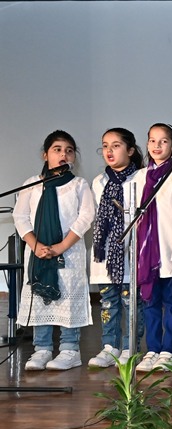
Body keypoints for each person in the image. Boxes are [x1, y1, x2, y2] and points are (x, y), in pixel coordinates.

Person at [17, 131, 96, 371]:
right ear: (46, 155)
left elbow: (86, 217)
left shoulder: (78, 184)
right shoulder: (32, 184)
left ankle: (70, 350)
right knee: (40, 297)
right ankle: (42, 349)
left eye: (69, 151)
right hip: (38, 252)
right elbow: (21, 217)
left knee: (67, 299)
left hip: (68, 253)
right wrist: (35, 245)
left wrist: (61, 247)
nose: (64, 154)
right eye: (57, 149)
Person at [133, 123, 172, 373]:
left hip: (170, 250)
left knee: (171, 303)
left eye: (163, 141)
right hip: (146, 253)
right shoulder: (138, 177)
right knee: (150, 302)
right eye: (152, 141)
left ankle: (168, 350)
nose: (157, 146)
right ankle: (152, 349)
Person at [88, 128, 144, 368]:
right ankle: (109, 347)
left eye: (116, 145)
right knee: (108, 302)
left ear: (130, 150)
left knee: (131, 303)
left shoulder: (141, 178)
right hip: (106, 254)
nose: (109, 151)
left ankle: (131, 347)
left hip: (131, 252)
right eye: (105, 146)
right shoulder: (99, 181)